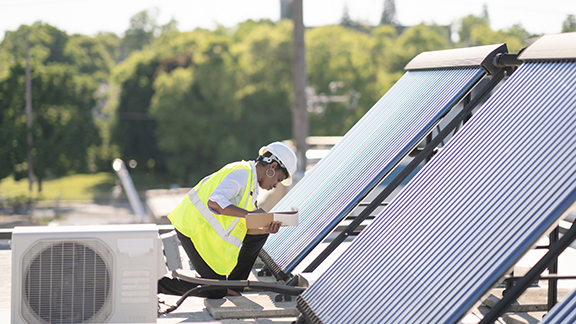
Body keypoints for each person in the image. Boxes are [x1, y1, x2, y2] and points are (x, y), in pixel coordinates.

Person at [158, 141, 297, 298]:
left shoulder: (251, 186)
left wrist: (264, 228)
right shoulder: (242, 173)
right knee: (216, 291)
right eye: (278, 179)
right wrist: (249, 214)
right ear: (272, 167)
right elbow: (215, 202)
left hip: (204, 233)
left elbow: (244, 224)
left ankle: (234, 285)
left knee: (260, 234)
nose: (275, 185)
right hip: (192, 230)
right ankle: (158, 285)